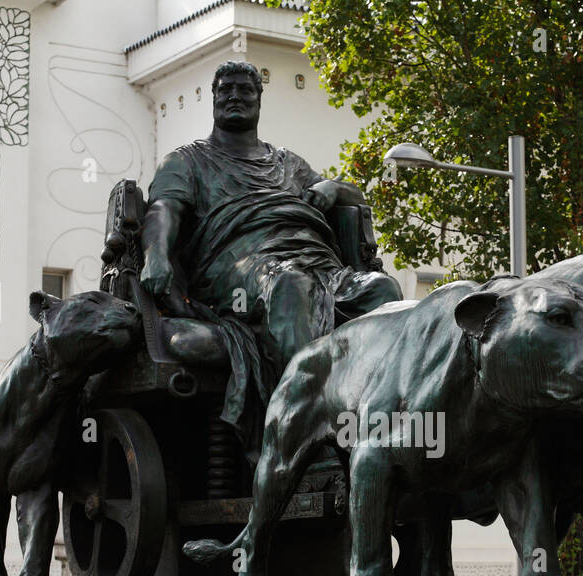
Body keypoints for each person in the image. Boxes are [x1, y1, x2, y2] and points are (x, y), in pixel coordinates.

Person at [140, 61, 402, 452]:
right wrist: (156, 254)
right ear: (213, 100)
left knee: (382, 290)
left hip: (318, 262)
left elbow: (352, 193)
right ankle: (305, 437)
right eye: (225, 89)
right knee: (290, 287)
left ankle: (383, 426)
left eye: (245, 90)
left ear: (259, 101)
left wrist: (332, 188)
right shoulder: (187, 161)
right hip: (240, 270)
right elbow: (164, 210)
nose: (235, 96)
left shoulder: (288, 163)